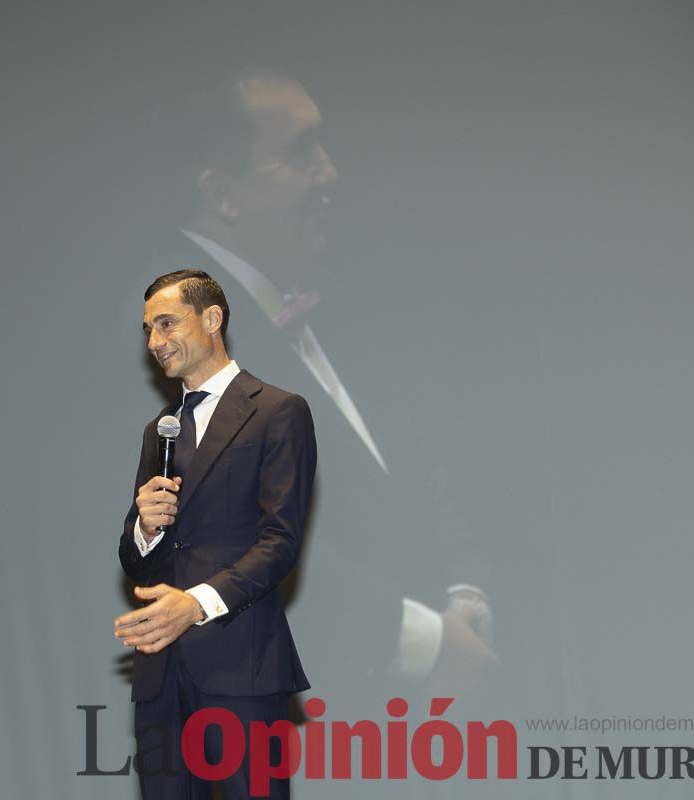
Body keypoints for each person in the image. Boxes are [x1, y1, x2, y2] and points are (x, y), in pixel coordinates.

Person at [151, 68, 497, 695]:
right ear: (223, 194)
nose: (330, 173)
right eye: (299, 152)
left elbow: (411, 473)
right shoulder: (168, 332)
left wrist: (462, 591)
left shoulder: (332, 310)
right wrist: (424, 639)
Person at [115, 270, 315, 799]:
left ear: (212, 318)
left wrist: (195, 604)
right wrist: (145, 527)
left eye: (166, 324)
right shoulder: (160, 429)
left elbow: (280, 541)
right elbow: (137, 563)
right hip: (161, 675)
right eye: (147, 331)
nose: (155, 342)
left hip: (242, 665)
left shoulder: (277, 411)